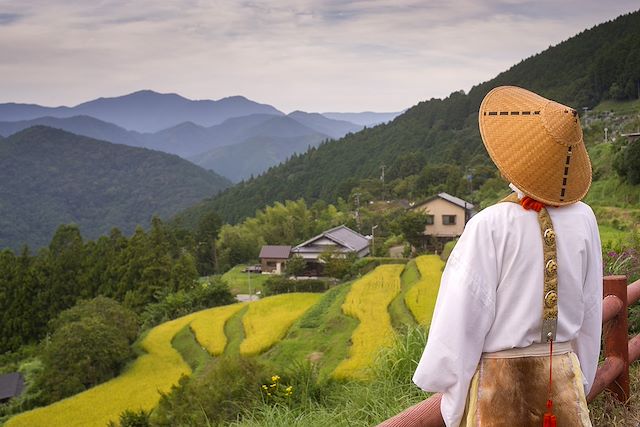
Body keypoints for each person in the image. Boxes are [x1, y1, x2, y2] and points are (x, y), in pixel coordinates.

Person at [412, 86, 603, 426]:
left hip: (499, 392)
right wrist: (579, 379)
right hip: (563, 384)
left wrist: (453, 405)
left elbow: (460, 322)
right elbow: (590, 311)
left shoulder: (489, 225)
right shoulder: (584, 218)